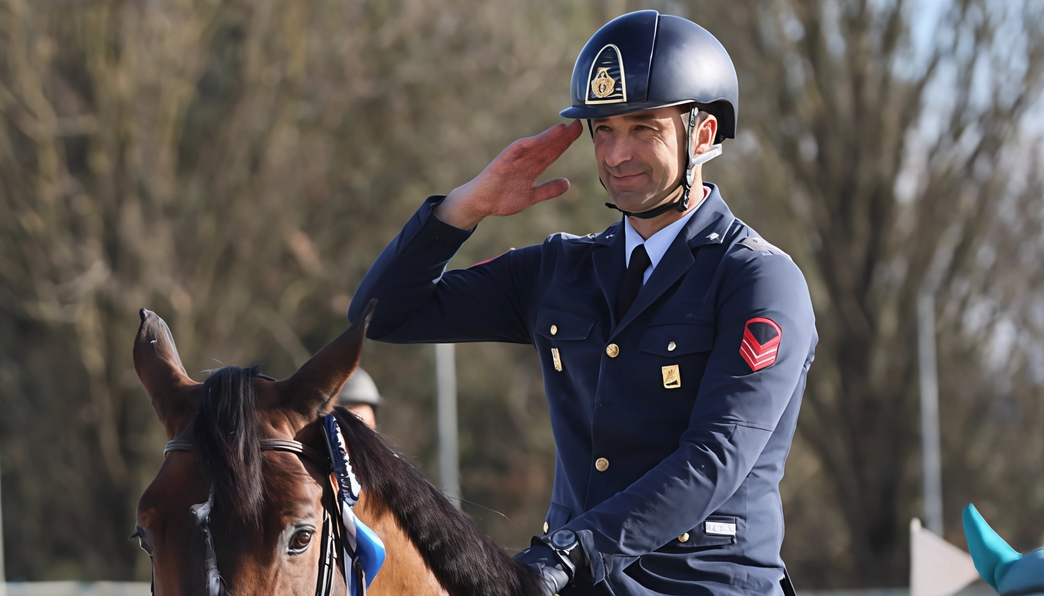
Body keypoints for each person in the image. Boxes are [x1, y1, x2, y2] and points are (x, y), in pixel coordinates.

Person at [349, 10, 816, 596]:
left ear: (703, 134)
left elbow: (714, 458)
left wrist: (572, 549)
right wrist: (464, 209)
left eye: (643, 127)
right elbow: (382, 315)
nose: (617, 154)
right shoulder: (559, 268)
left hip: (703, 584)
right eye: (603, 129)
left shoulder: (758, 281)